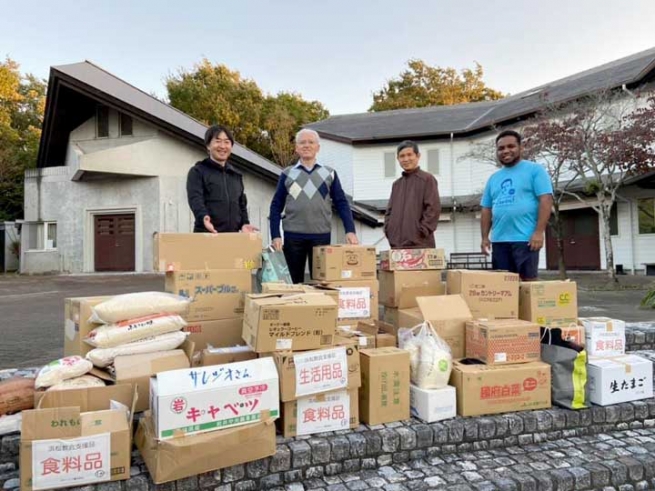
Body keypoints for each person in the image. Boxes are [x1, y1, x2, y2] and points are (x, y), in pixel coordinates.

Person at [269, 128, 359, 284]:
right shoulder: (287, 174)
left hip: (321, 235)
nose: (306, 145)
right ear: (296, 148)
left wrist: (350, 230)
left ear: (318, 147)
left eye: (311, 142)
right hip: (292, 236)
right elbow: (276, 206)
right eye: (302, 142)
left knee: (321, 282)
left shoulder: (329, 173)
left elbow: (342, 203)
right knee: (292, 283)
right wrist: (275, 234)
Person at [480, 130, 553, 280]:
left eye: (511, 146)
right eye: (501, 148)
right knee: (503, 287)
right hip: (499, 241)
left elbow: (546, 200)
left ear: (521, 148)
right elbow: (486, 209)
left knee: (528, 284)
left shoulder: (535, 170)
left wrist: (539, 232)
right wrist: (485, 237)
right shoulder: (494, 178)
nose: (506, 151)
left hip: (526, 240)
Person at [186, 124, 258, 234]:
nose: (222, 146)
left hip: (232, 237)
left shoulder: (236, 175)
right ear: (208, 145)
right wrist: (203, 217)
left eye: (227, 142)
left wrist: (244, 223)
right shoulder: (198, 171)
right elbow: (195, 199)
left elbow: (241, 204)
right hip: (207, 235)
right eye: (218, 141)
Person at [384, 140, 441, 248]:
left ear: (418, 156)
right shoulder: (396, 185)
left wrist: (421, 232)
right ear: (398, 159)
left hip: (420, 245)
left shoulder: (427, 179)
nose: (406, 159)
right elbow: (389, 212)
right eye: (402, 156)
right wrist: (388, 230)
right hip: (396, 246)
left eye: (409, 155)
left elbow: (433, 209)